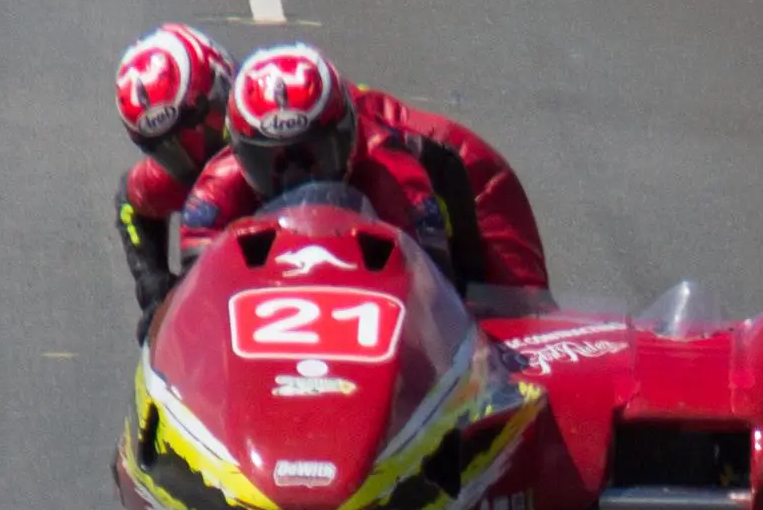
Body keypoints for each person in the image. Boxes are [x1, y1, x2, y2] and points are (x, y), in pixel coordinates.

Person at [172, 44, 552, 295]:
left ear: (348, 135)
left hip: (476, 183)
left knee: (511, 335)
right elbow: (192, 310)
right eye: (271, 161)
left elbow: (436, 300)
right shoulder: (216, 187)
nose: (295, 179)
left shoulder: (392, 172)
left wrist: (476, 296)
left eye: (313, 154)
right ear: (239, 153)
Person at [111, 23, 234, 316]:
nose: (191, 154)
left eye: (195, 130)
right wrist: (154, 290)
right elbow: (130, 204)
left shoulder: (276, 118)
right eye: (167, 149)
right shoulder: (173, 176)